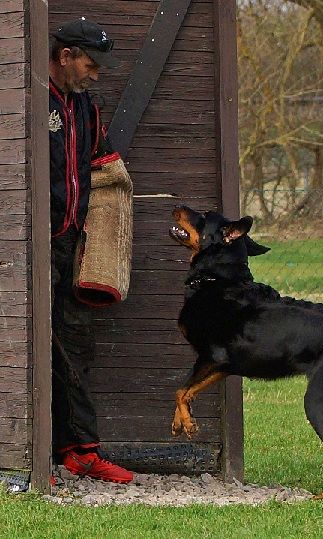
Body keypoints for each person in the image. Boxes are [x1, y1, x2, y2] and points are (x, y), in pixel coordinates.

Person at [49, 18, 133, 483]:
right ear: (65, 57)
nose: (95, 74)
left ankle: (80, 451)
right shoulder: (26, 99)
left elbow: (103, 169)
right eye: (90, 63)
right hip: (24, 249)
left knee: (75, 345)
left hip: (68, 246)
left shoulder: (86, 109)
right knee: (28, 347)